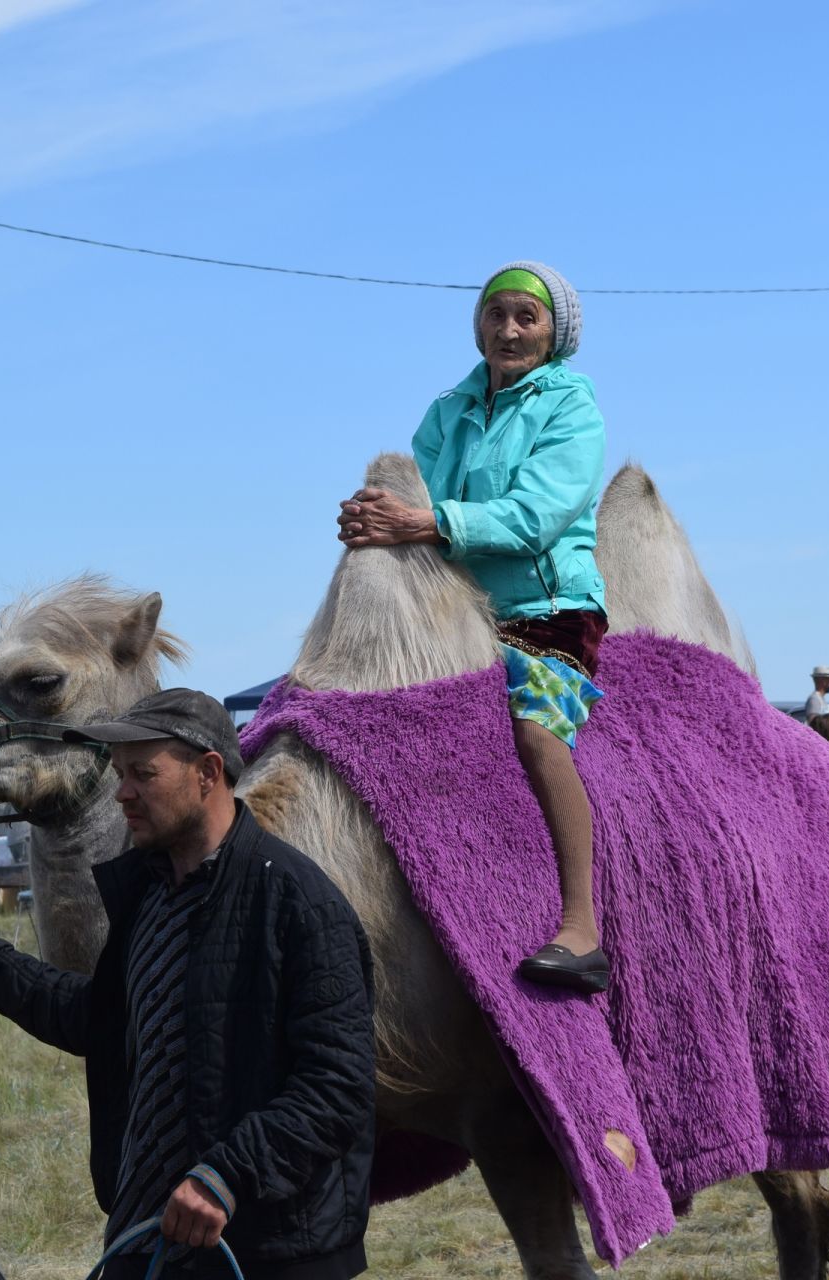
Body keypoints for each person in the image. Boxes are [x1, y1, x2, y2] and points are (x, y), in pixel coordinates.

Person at [0, 690, 375, 1280]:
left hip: (268, 1251)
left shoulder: (298, 901)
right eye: (119, 774)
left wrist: (226, 1175)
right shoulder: (147, 895)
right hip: (148, 1240)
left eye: (143, 773)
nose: (122, 793)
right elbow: (98, 1018)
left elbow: (338, 1086)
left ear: (208, 773)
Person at [336, 261, 612, 993]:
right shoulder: (448, 410)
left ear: (556, 333)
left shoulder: (572, 409)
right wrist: (373, 521)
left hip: (548, 614)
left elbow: (532, 519)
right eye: (497, 315)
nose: (509, 329)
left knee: (535, 734)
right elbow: (413, 497)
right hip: (454, 612)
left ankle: (581, 926)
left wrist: (421, 522)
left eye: (527, 316)